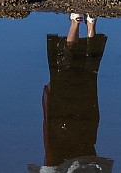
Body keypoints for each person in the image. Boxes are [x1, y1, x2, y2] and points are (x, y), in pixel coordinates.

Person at [30, 14, 112, 173]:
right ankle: (81, 23)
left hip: (73, 130)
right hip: (68, 130)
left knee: (84, 75)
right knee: (75, 73)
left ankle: (85, 23)